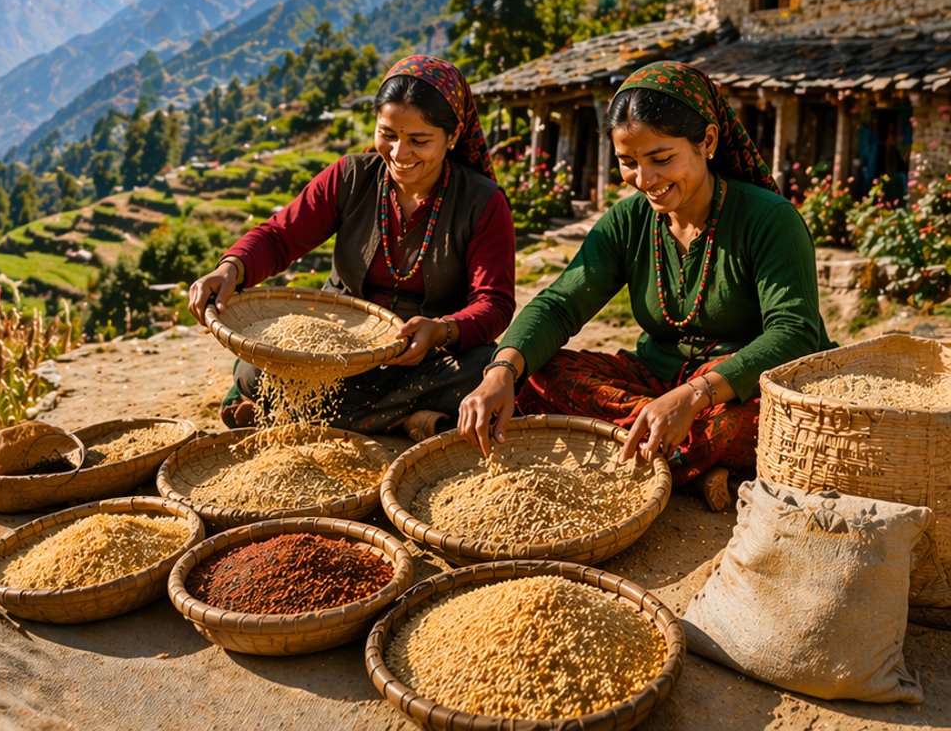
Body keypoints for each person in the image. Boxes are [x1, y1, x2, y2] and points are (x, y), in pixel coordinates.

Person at [456, 61, 832, 511]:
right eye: (628, 162)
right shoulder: (630, 220)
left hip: (740, 390)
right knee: (536, 375)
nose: (644, 179)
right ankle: (682, 461)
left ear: (708, 141)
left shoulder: (769, 219)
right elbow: (559, 305)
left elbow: (794, 333)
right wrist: (501, 371)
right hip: (654, 382)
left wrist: (693, 397)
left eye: (661, 158)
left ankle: (645, 449)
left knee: (752, 424)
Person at [188, 55, 517, 440]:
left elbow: (493, 302)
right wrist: (231, 267)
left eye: (419, 140)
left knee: (485, 368)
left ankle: (295, 415)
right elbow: (280, 236)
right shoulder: (350, 177)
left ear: (454, 134)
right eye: (388, 134)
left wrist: (442, 330)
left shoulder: (483, 202)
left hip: (426, 358)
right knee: (253, 371)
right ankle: (409, 420)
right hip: (338, 354)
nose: (399, 154)